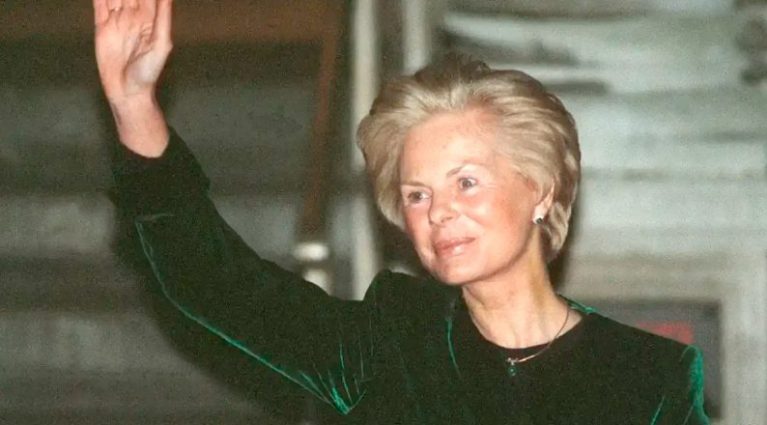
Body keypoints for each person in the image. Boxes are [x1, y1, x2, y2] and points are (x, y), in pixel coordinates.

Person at [93, 0, 710, 423]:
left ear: (541, 190)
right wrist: (134, 105)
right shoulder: (390, 344)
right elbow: (214, 283)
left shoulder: (647, 376)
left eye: (466, 182)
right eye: (418, 194)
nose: (439, 212)